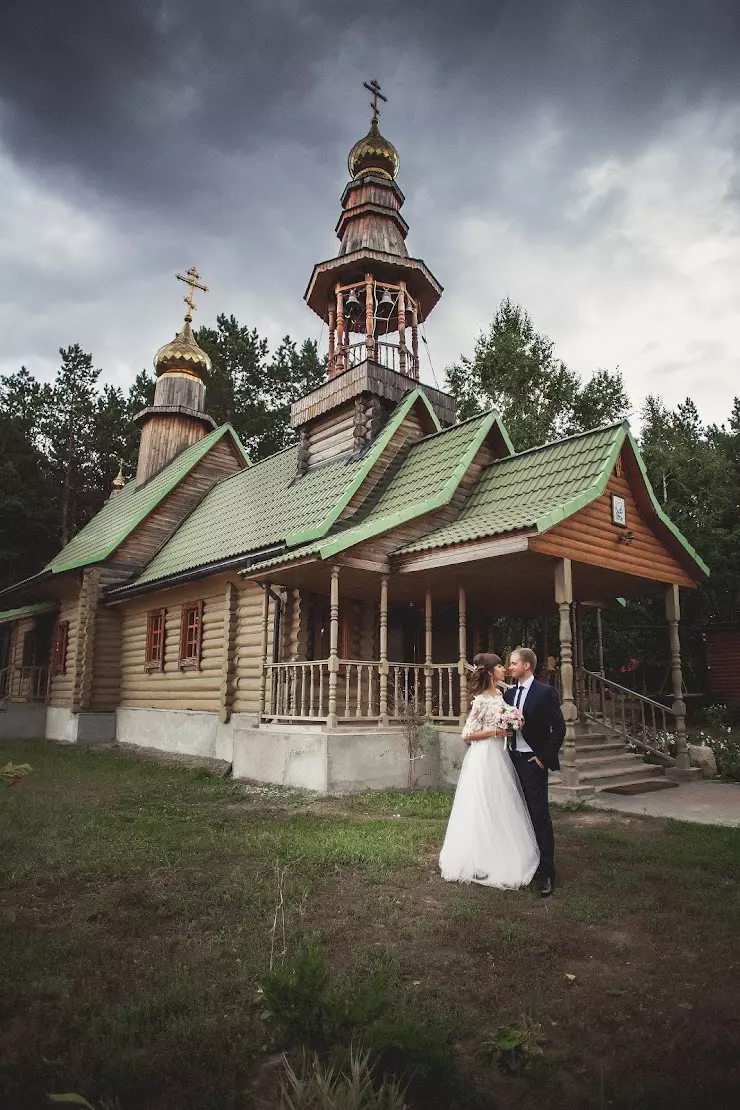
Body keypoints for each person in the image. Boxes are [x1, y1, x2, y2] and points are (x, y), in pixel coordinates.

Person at [439, 653, 540, 889]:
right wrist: (495, 732)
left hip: (500, 756)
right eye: (499, 666)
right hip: (484, 756)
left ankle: (499, 850)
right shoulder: (481, 700)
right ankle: (478, 856)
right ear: (490, 671)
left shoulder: (501, 694)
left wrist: (512, 723)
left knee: (499, 803)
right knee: (481, 804)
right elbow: (466, 736)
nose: (504, 669)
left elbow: (505, 718)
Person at [504, 647, 565, 897]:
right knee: (516, 815)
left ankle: (547, 872)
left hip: (532, 762)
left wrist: (542, 759)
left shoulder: (544, 692)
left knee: (539, 816)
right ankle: (522, 864)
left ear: (526, 665)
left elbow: (559, 729)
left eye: (513, 663)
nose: (510, 668)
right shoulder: (508, 697)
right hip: (511, 760)